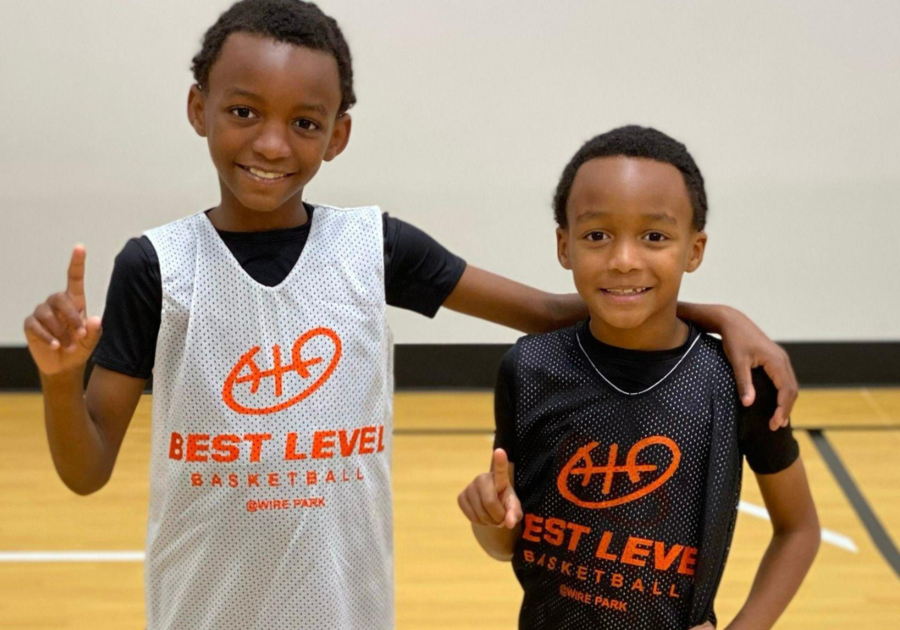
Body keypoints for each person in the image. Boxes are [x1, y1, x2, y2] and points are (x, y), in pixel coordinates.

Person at [23, 2, 797, 628]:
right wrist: (61, 383)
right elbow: (87, 471)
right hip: (202, 608)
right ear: (199, 109)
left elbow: (551, 311)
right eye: (243, 111)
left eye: (304, 121)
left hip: (346, 607)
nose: (270, 141)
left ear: (339, 133)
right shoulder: (154, 267)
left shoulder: (372, 246)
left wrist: (714, 317)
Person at [458, 126, 819, 630]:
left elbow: (799, 530)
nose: (624, 260)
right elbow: (506, 544)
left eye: (654, 236)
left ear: (694, 249)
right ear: (564, 246)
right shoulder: (529, 369)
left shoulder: (737, 383)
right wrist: (489, 518)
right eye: (597, 235)